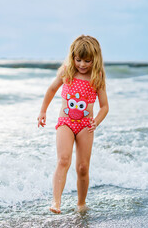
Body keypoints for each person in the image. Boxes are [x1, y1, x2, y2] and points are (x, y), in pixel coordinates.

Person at [37, 35, 109, 214]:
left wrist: (96, 122)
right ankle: (56, 202)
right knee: (63, 160)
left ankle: (81, 203)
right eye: (78, 60)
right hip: (66, 123)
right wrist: (43, 111)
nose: (82, 65)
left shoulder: (96, 77)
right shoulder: (67, 71)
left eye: (87, 61)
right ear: (72, 57)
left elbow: (105, 107)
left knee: (83, 168)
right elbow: (52, 89)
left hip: (86, 125)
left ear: (95, 59)